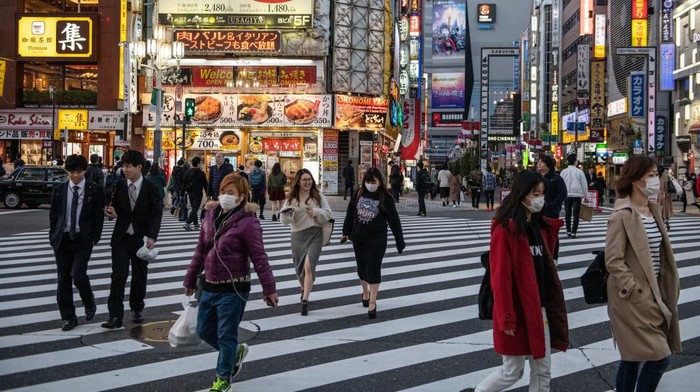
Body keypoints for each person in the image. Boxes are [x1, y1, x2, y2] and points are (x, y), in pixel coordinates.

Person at [464, 170, 568, 392]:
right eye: (535, 194)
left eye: (542, 193)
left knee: (543, 370)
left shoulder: (541, 227)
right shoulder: (506, 229)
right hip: (517, 309)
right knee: (513, 371)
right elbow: (500, 277)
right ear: (522, 195)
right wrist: (506, 317)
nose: (540, 199)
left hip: (539, 309)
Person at [183, 173, 279, 392]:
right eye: (223, 191)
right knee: (205, 330)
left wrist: (269, 289)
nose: (225, 196)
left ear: (242, 196)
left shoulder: (248, 223)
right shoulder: (209, 215)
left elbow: (259, 257)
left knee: (227, 335)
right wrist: (190, 278)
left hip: (234, 287)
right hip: (208, 284)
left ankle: (222, 379)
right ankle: (235, 353)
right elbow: (200, 250)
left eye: (231, 193)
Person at [605, 155, 681, 392]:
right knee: (661, 357)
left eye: (656, 174)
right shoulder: (622, 215)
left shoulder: (653, 210)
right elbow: (613, 260)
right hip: (633, 297)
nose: (656, 179)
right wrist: (636, 289)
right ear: (635, 180)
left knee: (631, 359)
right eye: (650, 175)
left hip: (655, 291)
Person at [102, 150, 163, 328]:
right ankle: (115, 315)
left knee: (139, 275)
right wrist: (110, 214)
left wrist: (152, 236)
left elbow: (156, 214)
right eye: (123, 166)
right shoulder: (118, 185)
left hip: (141, 238)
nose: (125, 169)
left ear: (139, 167)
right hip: (121, 237)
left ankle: (137, 308)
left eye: (128, 166)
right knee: (118, 276)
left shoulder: (151, 187)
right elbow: (113, 209)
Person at [48, 154, 105, 331]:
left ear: (85, 171)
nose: (75, 176)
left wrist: (95, 237)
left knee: (78, 273)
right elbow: (54, 215)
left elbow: (98, 216)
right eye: (72, 172)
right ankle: (68, 317)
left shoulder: (94, 190)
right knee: (63, 278)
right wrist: (53, 236)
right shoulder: (59, 190)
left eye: (79, 172)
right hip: (63, 238)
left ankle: (89, 301)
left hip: (83, 238)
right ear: (67, 172)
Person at [342, 167, 405, 319]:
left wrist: (399, 240)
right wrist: (346, 232)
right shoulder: (358, 193)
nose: (371, 184)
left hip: (378, 239)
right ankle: (365, 291)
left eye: (373, 182)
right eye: (368, 181)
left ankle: (372, 301)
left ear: (379, 182)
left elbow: (394, 221)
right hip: (359, 238)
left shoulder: (385, 197)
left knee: (374, 267)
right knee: (362, 267)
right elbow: (350, 213)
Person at [280, 169, 333, 316]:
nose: (307, 182)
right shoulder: (291, 198)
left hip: (314, 234)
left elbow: (328, 213)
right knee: (300, 270)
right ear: (298, 181)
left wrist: (315, 212)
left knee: (309, 266)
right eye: (304, 179)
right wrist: (288, 215)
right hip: (297, 235)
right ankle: (304, 288)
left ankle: (305, 299)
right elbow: (284, 220)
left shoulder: (317, 195)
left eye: (309, 179)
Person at [560, 154, 588, 238]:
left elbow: (561, 184)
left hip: (567, 195)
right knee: (576, 214)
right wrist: (586, 196)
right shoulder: (579, 172)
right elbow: (584, 185)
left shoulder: (563, 172)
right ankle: (574, 232)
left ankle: (568, 230)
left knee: (567, 213)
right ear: (575, 161)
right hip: (577, 195)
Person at [182, 156, 208, 231]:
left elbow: (184, 184)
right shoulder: (201, 173)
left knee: (194, 208)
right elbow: (205, 184)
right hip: (198, 193)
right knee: (195, 208)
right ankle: (188, 223)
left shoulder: (188, 172)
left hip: (190, 193)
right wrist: (208, 194)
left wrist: (182, 194)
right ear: (198, 164)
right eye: (201, 162)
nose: (201, 164)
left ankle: (196, 224)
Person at [537, 155, 567, 219]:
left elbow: (563, 194)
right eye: (538, 162)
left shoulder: (556, 178)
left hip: (551, 213)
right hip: (537, 211)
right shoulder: (536, 178)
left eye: (541, 162)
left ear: (548, 165)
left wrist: (552, 205)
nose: (539, 164)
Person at [657, 165, 673, 230]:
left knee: (659, 208)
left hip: (658, 195)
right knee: (666, 208)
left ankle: (661, 222)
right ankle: (667, 220)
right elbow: (669, 186)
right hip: (666, 195)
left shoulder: (656, 177)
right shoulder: (667, 176)